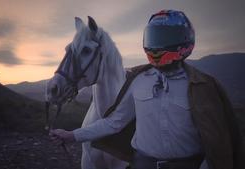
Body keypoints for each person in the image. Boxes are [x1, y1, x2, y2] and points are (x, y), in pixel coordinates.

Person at [50, 10, 244, 169]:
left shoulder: (204, 87)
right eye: (154, 37)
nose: (158, 45)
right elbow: (114, 122)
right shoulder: (137, 81)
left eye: (167, 38)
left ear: (186, 41)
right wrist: (72, 135)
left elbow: (218, 139)